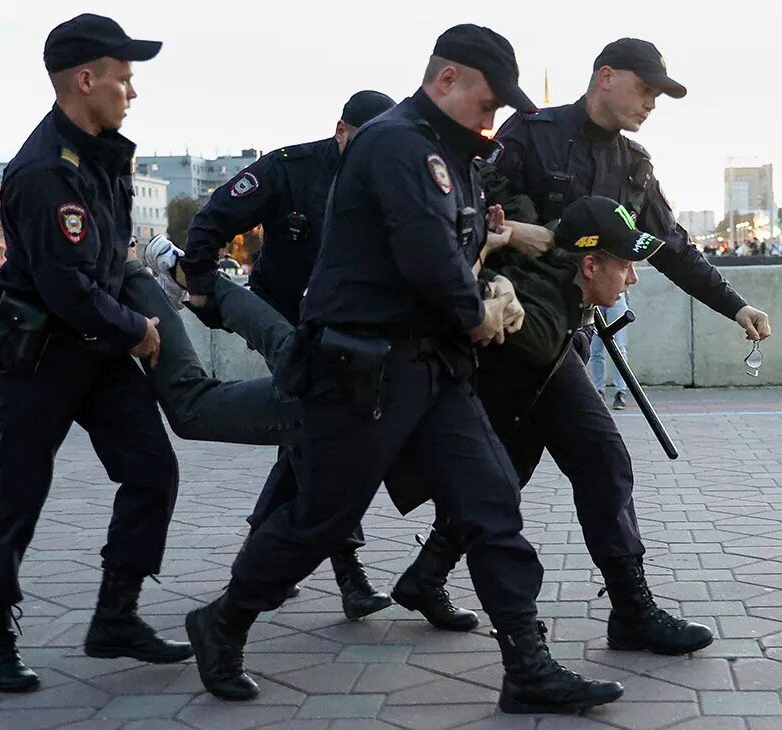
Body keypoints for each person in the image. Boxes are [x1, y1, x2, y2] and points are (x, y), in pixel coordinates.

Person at [181, 24, 624, 714]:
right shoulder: (398, 142)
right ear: (445, 79)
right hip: (363, 370)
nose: (492, 118)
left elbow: (460, 240)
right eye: (485, 102)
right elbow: (426, 253)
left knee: (491, 501)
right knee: (318, 520)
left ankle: (527, 666)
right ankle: (224, 621)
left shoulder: (447, 153)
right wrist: (478, 309)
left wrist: (488, 261)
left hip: (430, 367)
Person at [402, 36, 771, 658]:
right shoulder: (531, 133)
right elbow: (472, 211)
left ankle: (426, 576)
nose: (652, 102)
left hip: (561, 337)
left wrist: (734, 305)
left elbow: (668, 246)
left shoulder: (633, 164)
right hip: (508, 329)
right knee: (601, 460)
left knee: (506, 472)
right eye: (646, 88)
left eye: (660, 94)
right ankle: (629, 613)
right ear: (606, 77)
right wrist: (514, 250)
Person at [0, 14, 191, 693]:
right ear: (84, 80)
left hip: (94, 349)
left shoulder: (101, 154)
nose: (132, 92)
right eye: (123, 79)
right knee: (20, 493)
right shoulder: (43, 172)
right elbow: (66, 286)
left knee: (153, 472)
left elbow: (108, 259)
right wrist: (138, 330)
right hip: (37, 353)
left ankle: (115, 615)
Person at [168, 89, 398, 621]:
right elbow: (212, 219)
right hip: (285, 322)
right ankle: (347, 575)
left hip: (346, 327)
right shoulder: (288, 169)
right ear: (342, 132)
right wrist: (202, 288)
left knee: (310, 434)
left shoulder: (390, 176)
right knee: (324, 434)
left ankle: (261, 559)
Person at [588, 292, 630, 409]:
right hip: (595, 299)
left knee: (619, 347)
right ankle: (598, 390)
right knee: (595, 349)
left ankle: (620, 391)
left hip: (616, 296)